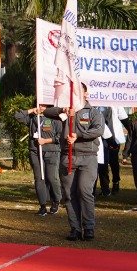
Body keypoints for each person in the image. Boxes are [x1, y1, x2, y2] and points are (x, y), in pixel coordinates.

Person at [43, 85, 104, 241]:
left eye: (78, 91)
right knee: (69, 194)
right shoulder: (66, 111)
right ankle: (75, 228)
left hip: (88, 157)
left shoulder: (93, 112)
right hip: (68, 157)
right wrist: (62, 110)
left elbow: (98, 130)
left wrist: (79, 135)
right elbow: (46, 112)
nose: (75, 93)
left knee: (84, 191)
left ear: (85, 94)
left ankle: (88, 227)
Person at [22, 105, 64, 216]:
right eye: (39, 105)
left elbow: (60, 136)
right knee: (39, 178)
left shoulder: (55, 118)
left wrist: (46, 141)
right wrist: (31, 110)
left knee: (52, 177)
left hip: (51, 151)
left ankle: (56, 201)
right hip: (35, 152)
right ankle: (43, 205)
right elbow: (18, 116)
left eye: (44, 105)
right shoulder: (33, 118)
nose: (41, 107)